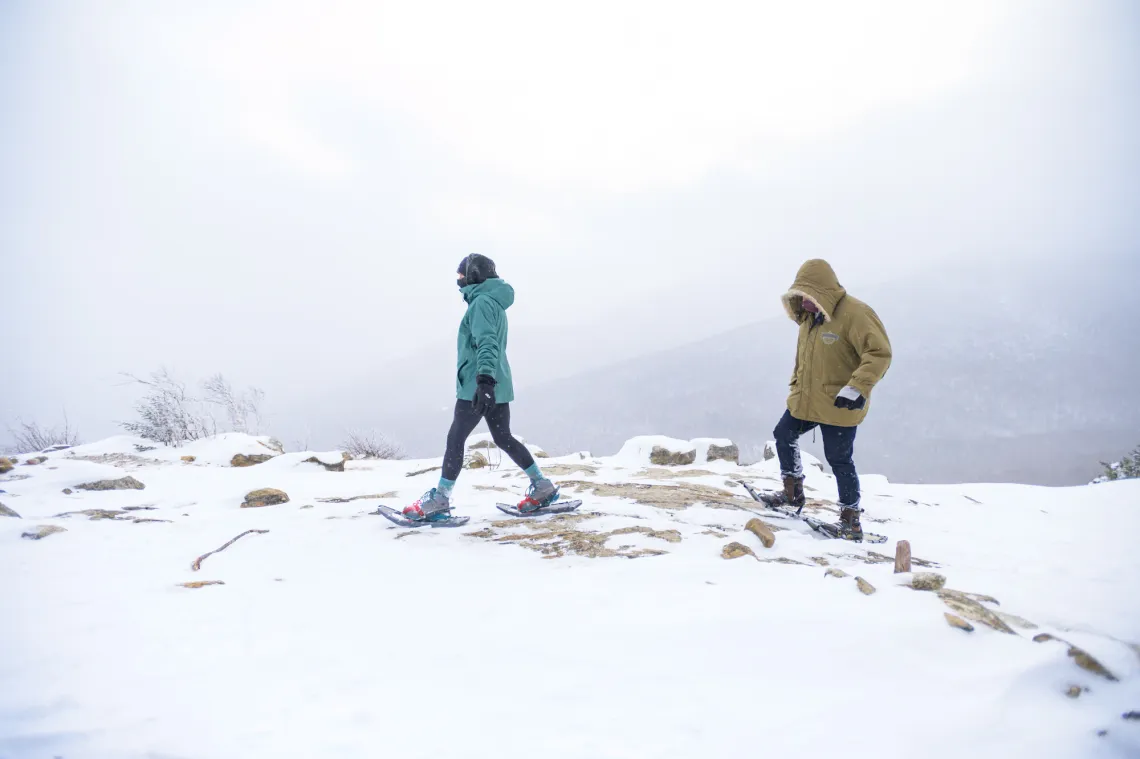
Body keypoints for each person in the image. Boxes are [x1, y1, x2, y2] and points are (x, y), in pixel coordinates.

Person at [403, 254, 558, 521]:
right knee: (503, 437)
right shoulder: (491, 302)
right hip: (495, 381)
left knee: (456, 439)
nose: (458, 280)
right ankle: (542, 485)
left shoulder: (481, 303)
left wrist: (484, 382)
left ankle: (440, 499)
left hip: (479, 384)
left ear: (475, 274)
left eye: (461, 275)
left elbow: (486, 342)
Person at [772, 259, 892, 540]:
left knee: (839, 459)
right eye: (800, 296)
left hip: (841, 403)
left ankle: (851, 523)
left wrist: (857, 388)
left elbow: (879, 353)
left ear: (824, 292)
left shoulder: (857, 314)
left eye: (810, 297)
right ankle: (792, 494)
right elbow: (805, 361)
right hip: (807, 400)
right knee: (783, 434)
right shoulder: (808, 319)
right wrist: (796, 387)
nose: (805, 302)